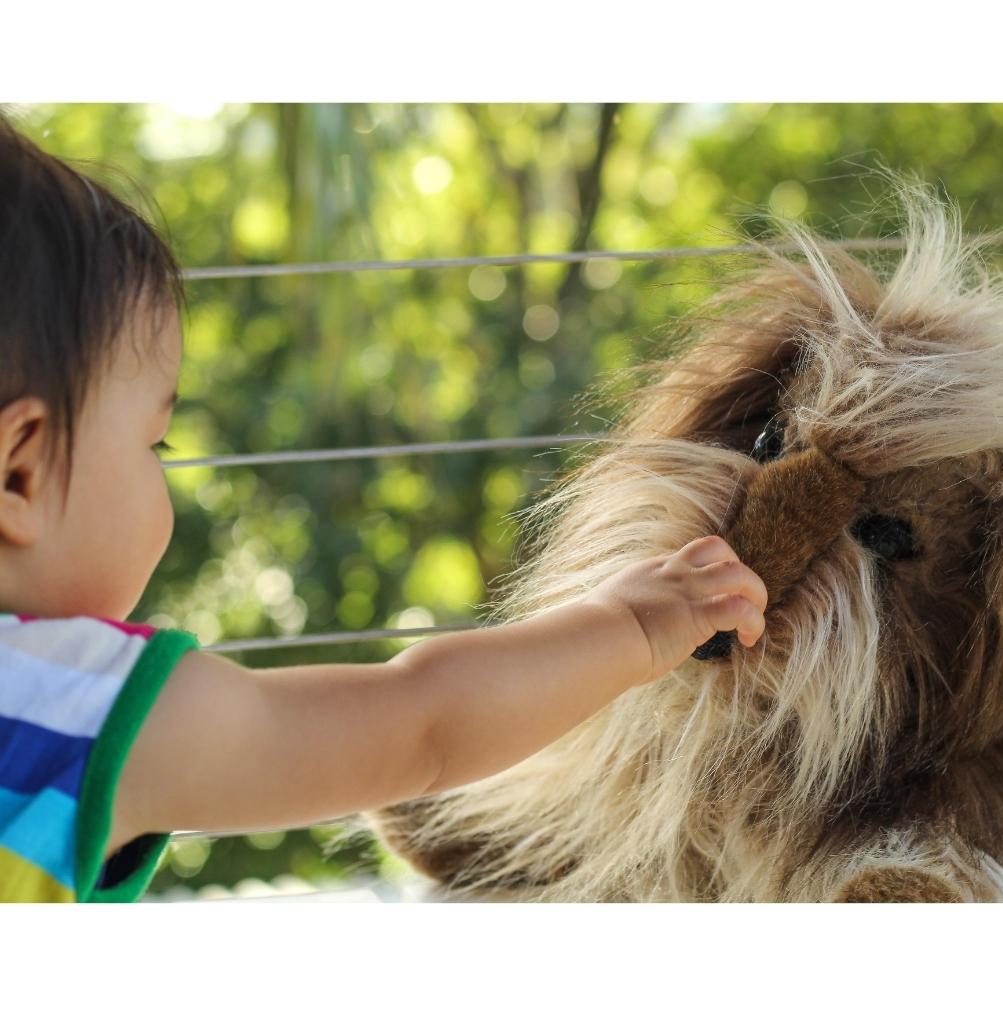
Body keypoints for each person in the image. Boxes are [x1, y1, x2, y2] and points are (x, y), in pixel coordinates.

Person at [0, 113, 767, 902]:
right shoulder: (76, 716)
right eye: (153, 444)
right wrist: (632, 628)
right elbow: (421, 725)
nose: (160, 471)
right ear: (19, 474)